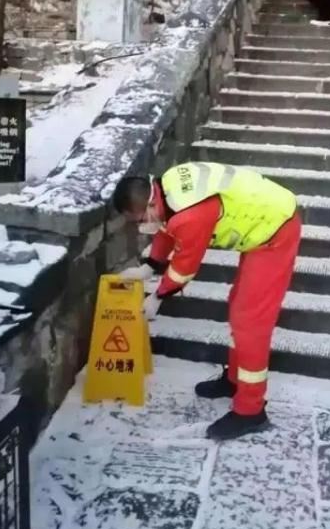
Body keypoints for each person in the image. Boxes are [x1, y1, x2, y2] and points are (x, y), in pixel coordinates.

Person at [113, 162, 302, 442]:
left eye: (140, 219)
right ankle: (236, 381)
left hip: (275, 231)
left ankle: (250, 410)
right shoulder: (168, 189)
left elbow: (185, 266)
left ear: (150, 204)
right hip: (264, 222)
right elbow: (167, 229)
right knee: (240, 308)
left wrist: (158, 296)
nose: (142, 226)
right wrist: (150, 266)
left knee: (250, 321)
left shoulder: (190, 215)